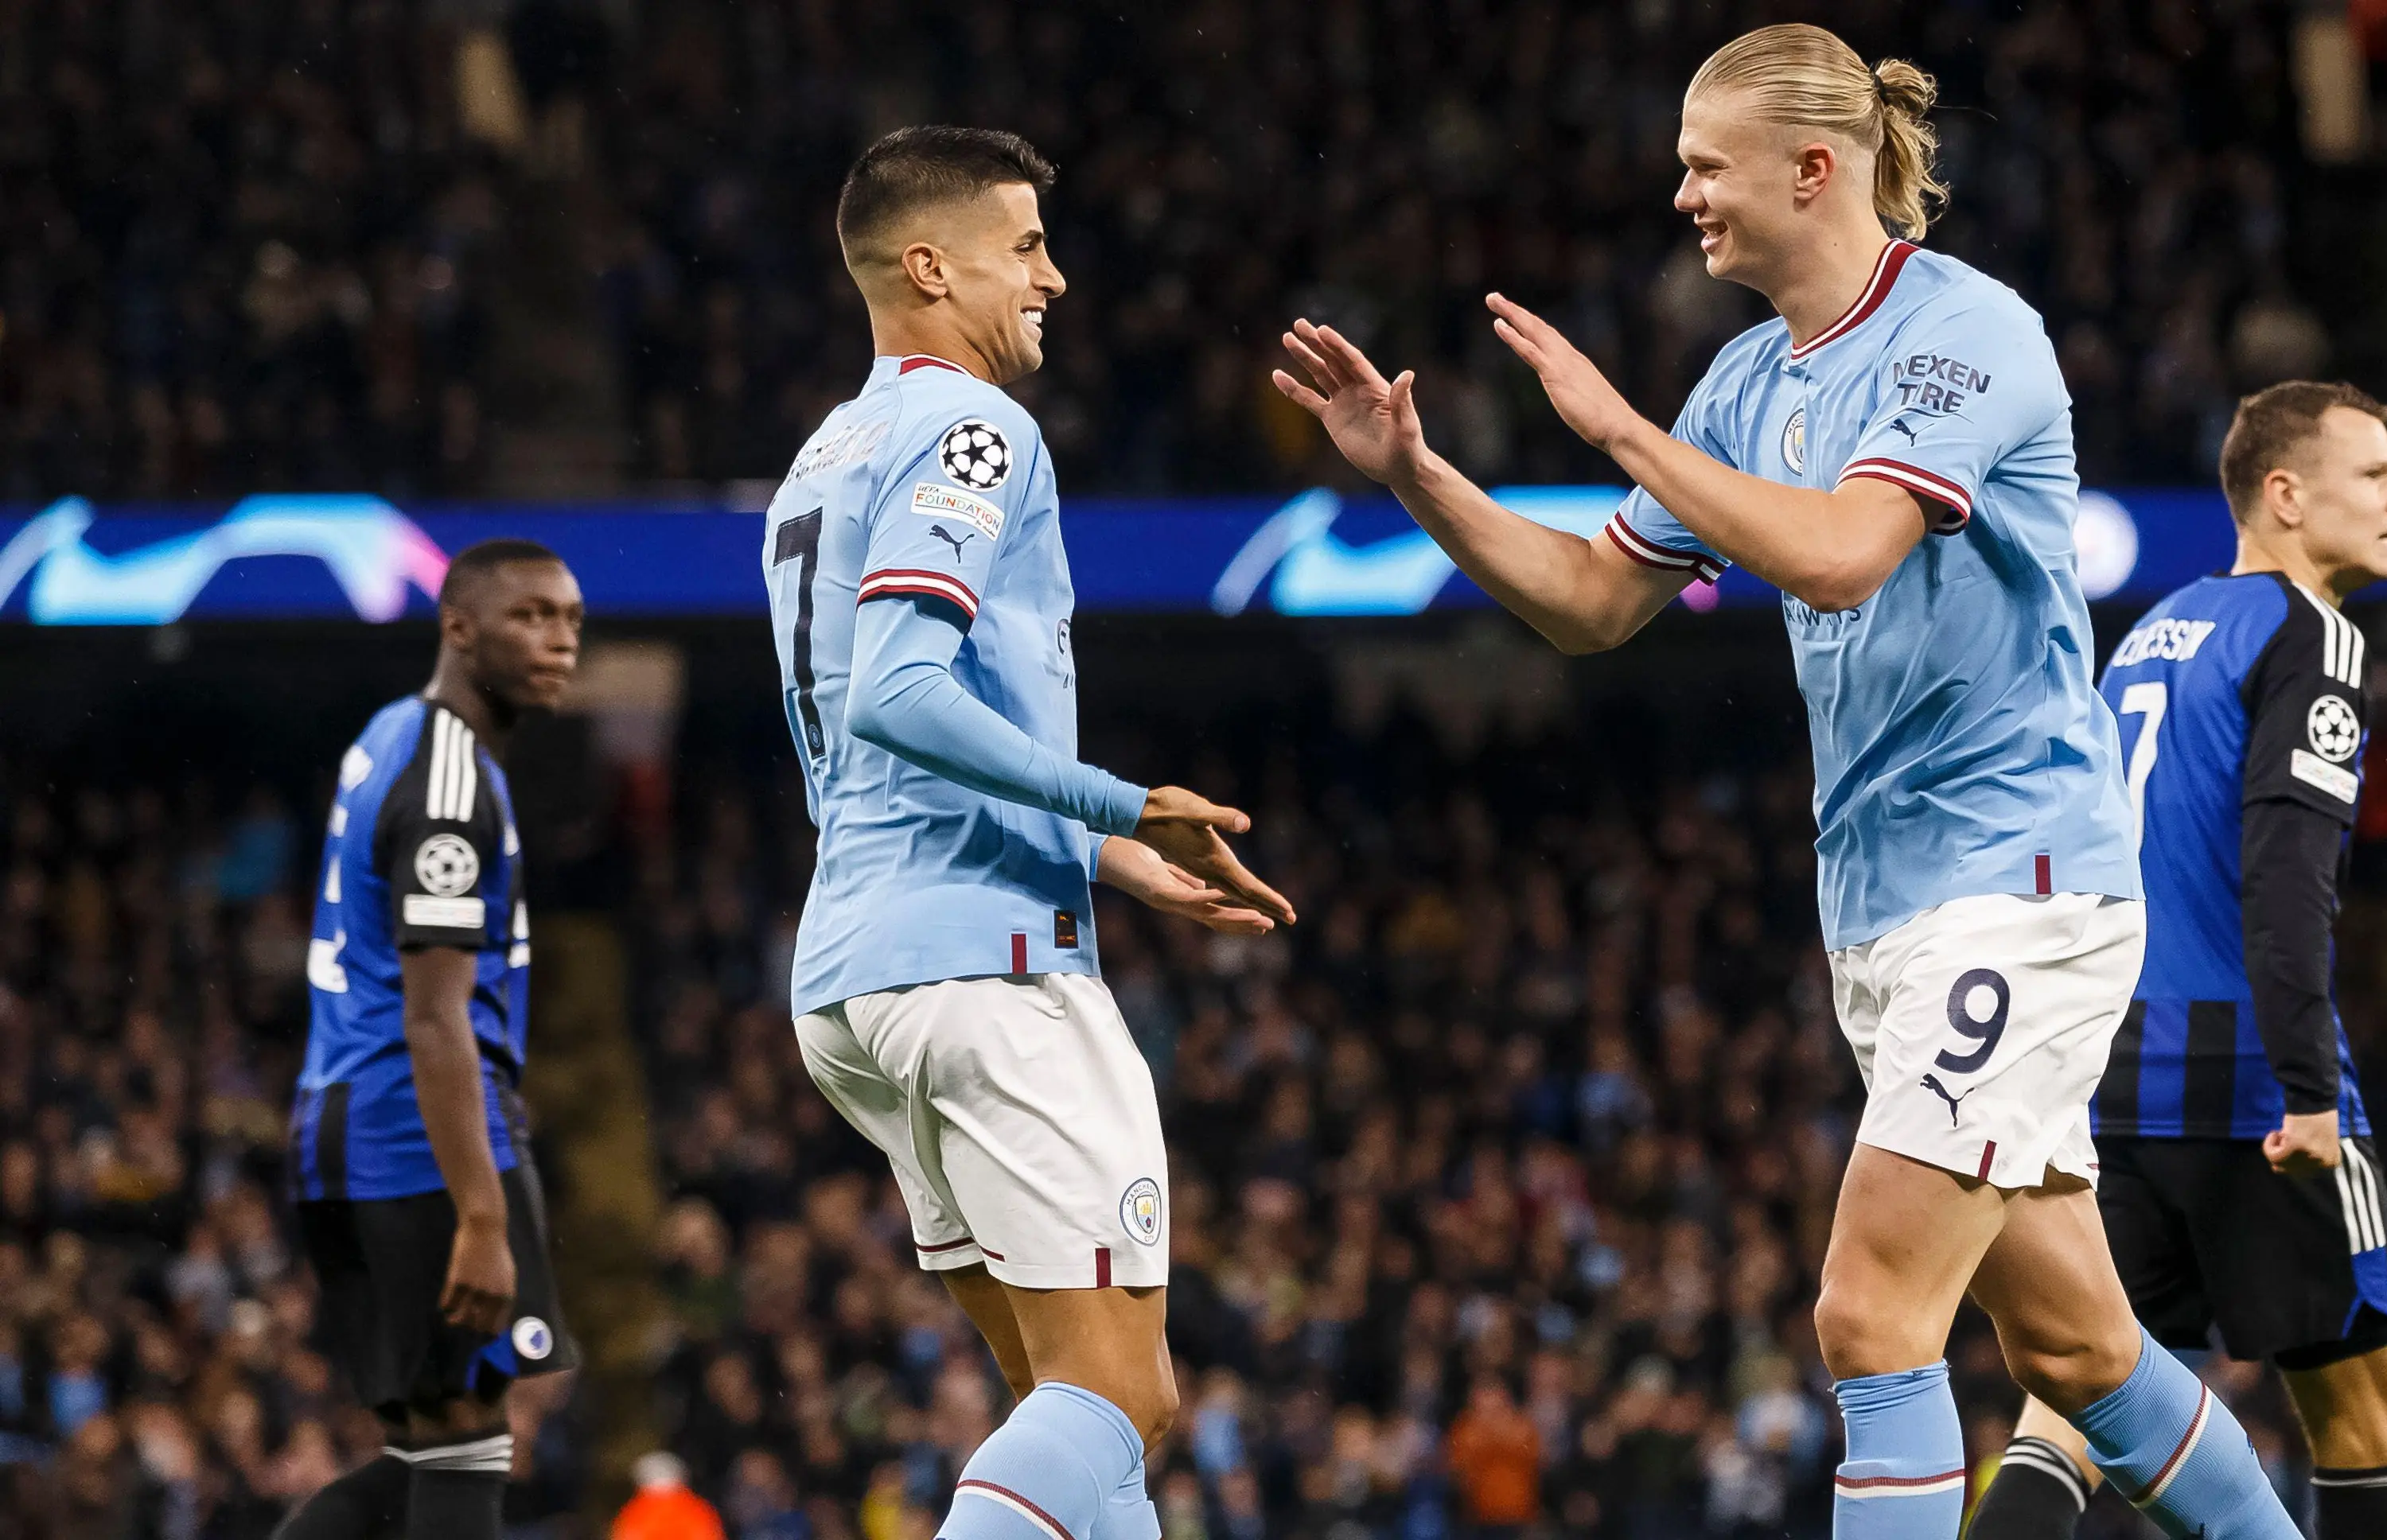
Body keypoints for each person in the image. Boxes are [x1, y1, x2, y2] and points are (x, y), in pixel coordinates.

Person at [1272, 23, 2299, 1540]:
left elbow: (1837, 548)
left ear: (1814, 170)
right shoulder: (1747, 380)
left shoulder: (1967, 338)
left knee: (1868, 1314)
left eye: (1705, 166)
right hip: (1883, 912)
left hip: (2018, 887)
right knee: (2078, 1351)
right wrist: (1420, 477)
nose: (1680, 195)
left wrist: (1618, 427)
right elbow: (1587, 603)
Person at [764, 126, 1296, 1540]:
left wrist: (1113, 860)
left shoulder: (824, 454)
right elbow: (897, 690)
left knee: (1065, 1404)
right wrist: (1128, 802)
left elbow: (877, 737)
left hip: (856, 974)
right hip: (984, 970)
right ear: (930, 266)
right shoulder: (975, 426)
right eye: (1026, 246)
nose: (1053, 276)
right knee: (1125, 1401)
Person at [1968, 381, 2387, 1538]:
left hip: (2107, 1077)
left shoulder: (2150, 634)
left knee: (2069, 1408)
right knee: (2370, 1423)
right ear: (2284, 495)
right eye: (2372, 475)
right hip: (2255, 1092)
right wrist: (2311, 1093)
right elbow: (2284, 880)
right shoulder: (2309, 634)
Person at [278, 539, 586, 1540]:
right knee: (466, 1437)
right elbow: (433, 1013)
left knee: (424, 1441)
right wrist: (483, 1215)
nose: (559, 642)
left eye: (571, 621)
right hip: (412, 1136)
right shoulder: (450, 780)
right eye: (531, 616)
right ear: (459, 626)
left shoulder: (386, 734)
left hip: (339, 1125)